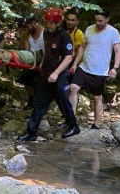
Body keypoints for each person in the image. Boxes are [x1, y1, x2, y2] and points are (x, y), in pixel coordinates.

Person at [18, 8, 80, 141]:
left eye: (51, 23)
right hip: (45, 74)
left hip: (59, 76)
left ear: (58, 23)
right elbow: (47, 51)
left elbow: (68, 58)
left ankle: (73, 125)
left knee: (63, 102)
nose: (48, 25)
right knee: (39, 103)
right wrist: (42, 65)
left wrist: (56, 73)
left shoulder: (64, 37)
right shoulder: (48, 34)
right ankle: (31, 131)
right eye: (47, 22)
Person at [69, 12, 120, 129]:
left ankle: (96, 124)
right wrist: (75, 64)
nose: (97, 23)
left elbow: (118, 51)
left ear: (107, 19)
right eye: (96, 20)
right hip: (84, 67)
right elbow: (82, 47)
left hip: (100, 71)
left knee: (97, 98)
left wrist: (115, 68)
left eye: (100, 21)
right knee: (72, 88)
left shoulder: (113, 32)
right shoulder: (89, 29)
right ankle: (71, 120)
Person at [17, 13, 45, 110]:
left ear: (34, 23)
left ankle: (40, 101)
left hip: (43, 59)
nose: (27, 29)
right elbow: (26, 50)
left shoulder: (44, 33)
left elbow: (49, 50)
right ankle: (31, 99)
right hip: (32, 59)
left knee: (40, 81)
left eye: (27, 26)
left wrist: (42, 63)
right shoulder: (26, 34)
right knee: (26, 78)